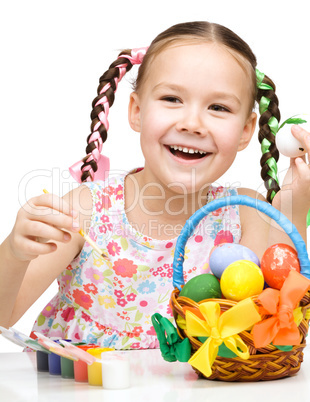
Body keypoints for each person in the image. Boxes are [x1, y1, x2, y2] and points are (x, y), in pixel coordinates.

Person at [0, 21, 309, 350]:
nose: (192, 124)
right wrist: (14, 254)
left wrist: (295, 204)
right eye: (172, 98)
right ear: (136, 111)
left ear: (247, 130)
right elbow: (5, 314)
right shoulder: (86, 211)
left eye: (218, 107)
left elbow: (275, 331)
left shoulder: (246, 214)